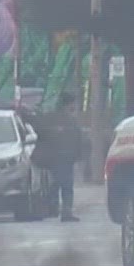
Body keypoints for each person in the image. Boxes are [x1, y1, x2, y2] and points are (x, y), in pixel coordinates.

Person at [35, 90, 85, 223]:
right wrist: (78, 156)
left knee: (54, 183)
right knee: (66, 185)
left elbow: (40, 133)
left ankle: (52, 209)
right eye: (73, 103)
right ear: (68, 104)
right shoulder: (69, 120)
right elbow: (77, 139)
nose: (74, 106)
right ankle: (65, 212)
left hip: (51, 158)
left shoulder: (49, 117)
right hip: (64, 158)